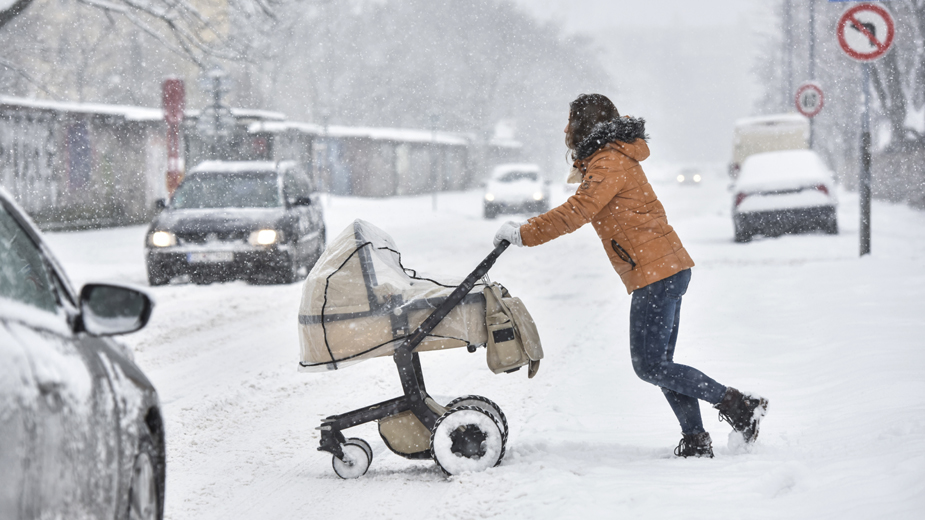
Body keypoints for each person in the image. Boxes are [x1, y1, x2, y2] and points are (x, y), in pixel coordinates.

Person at [493, 93, 768, 458]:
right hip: (664, 269)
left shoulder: (608, 161)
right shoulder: (610, 157)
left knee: (650, 366)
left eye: (570, 120)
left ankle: (738, 404)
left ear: (585, 125)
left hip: (656, 274)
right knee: (662, 366)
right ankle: (697, 438)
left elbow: (577, 211)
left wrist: (523, 233)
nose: (564, 128)